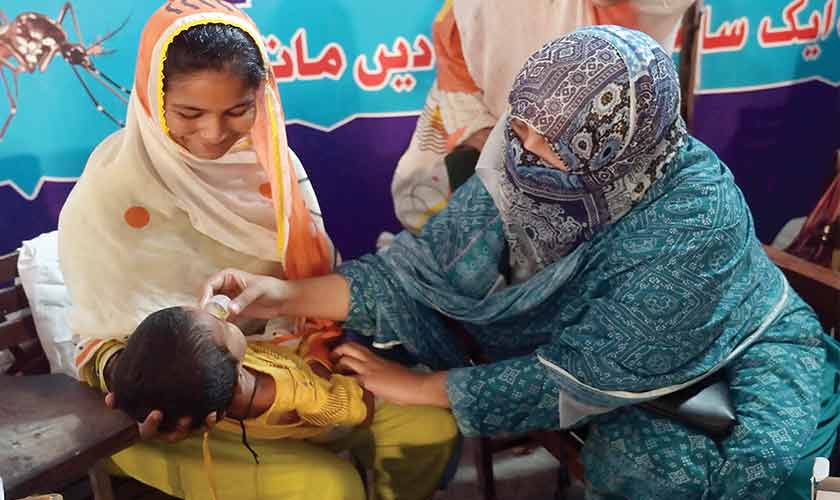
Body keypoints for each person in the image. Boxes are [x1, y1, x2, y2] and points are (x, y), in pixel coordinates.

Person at [203, 27, 840, 499]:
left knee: (770, 467)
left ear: (618, 143)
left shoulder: (692, 218)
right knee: (644, 472)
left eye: (551, 139)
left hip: (741, 346)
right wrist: (278, 295)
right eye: (524, 121)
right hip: (603, 367)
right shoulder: (523, 157)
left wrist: (427, 390)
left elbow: (591, 370)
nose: (523, 147)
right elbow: (421, 271)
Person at [58, 3, 457, 499]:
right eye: (189, 113)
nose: (213, 133)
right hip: (172, 416)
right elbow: (108, 348)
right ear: (150, 96)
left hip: (299, 369)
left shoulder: (274, 167)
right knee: (328, 488)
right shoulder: (110, 195)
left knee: (429, 427)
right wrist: (191, 383)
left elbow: (314, 297)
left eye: (236, 110)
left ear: (261, 97)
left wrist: (292, 324)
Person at [390, 0, 694, 235]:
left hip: (609, 181)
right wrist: (505, 164)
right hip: (496, 160)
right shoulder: (464, 12)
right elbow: (458, 80)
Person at [111, 306, 374, 440]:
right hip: (328, 426)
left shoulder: (206, 390)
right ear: (237, 377)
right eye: (222, 325)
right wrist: (320, 358)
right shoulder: (292, 390)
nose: (219, 310)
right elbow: (353, 410)